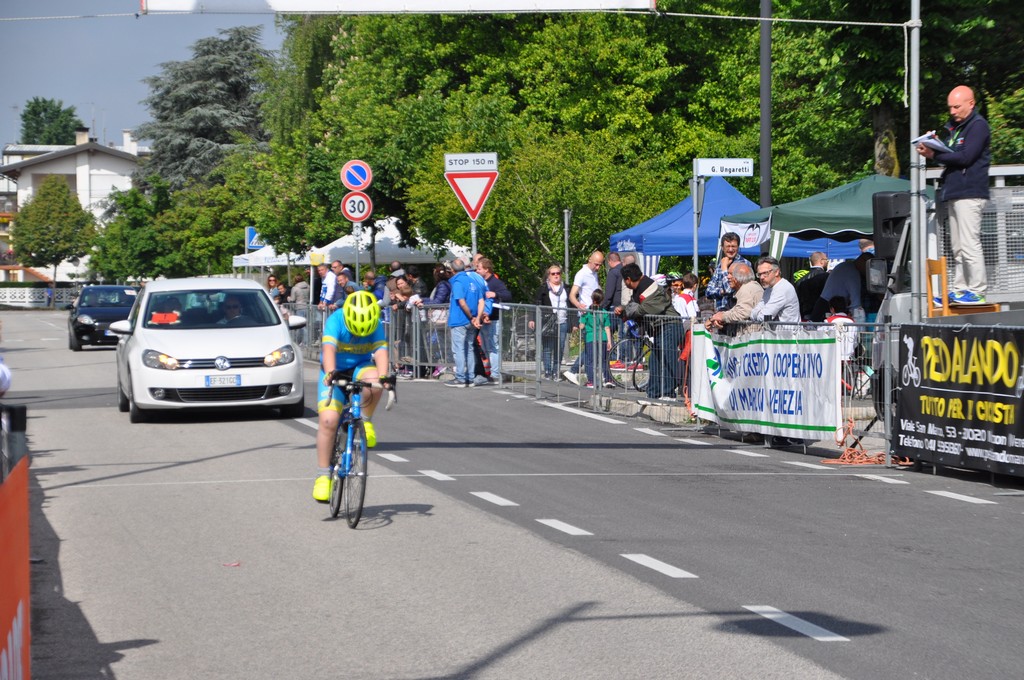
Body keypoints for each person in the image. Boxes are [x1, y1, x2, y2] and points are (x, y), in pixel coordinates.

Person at [312, 290, 394, 502]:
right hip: (335, 370)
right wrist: (330, 373)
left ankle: (366, 421)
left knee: (375, 380)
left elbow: (381, 351)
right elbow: (329, 350)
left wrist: (384, 377)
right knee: (328, 420)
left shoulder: (375, 323)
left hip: (360, 367)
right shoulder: (336, 319)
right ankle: (323, 476)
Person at [916, 85, 991, 304]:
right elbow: (952, 154)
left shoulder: (978, 126)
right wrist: (936, 145)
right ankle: (960, 289)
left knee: (969, 243)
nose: (952, 111)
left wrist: (934, 154)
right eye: (950, 107)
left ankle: (977, 290)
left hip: (970, 193)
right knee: (958, 247)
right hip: (956, 192)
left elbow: (966, 157)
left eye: (957, 107)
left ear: (971, 103)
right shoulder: (956, 127)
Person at [615, 263, 683, 399]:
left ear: (628, 279)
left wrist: (627, 311)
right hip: (660, 327)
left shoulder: (650, 287)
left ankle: (668, 394)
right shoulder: (640, 288)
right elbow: (633, 307)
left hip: (670, 325)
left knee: (667, 359)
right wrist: (624, 309)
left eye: (624, 280)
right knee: (654, 361)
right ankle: (653, 394)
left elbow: (642, 309)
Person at [564, 250, 605, 384]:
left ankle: (576, 372)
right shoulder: (581, 274)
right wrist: (579, 306)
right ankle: (580, 373)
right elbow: (572, 295)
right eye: (596, 264)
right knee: (591, 347)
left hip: (595, 314)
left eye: (600, 265)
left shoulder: (594, 274)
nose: (598, 268)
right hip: (587, 315)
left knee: (591, 347)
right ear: (590, 260)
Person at [445, 258, 486, 387]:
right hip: (472, 320)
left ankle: (461, 378)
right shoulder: (473, 280)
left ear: (452, 270)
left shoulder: (457, 282)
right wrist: (477, 317)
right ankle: (471, 377)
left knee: (459, 349)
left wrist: (471, 317)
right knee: (469, 348)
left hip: (460, 319)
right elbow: (481, 301)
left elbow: (461, 302)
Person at [476, 257, 512, 384]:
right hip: (482, 319)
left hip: (493, 319)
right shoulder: (480, 281)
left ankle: (496, 374)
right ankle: (490, 371)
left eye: (479, 269)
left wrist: (495, 294)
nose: (477, 271)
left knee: (493, 347)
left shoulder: (495, 282)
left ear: (486, 269)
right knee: (485, 347)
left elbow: (508, 295)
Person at [531, 264, 570, 380]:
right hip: (548, 322)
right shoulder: (543, 288)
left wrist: (574, 323)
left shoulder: (566, 288)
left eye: (558, 273)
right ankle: (547, 372)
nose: (556, 275)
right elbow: (537, 303)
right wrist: (533, 319)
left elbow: (571, 304)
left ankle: (555, 372)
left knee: (560, 348)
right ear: (549, 276)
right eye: (553, 274)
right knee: (548, 348)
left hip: (562, 321)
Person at [811, 252, 871, 322]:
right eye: (868, 266)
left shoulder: (845, 266)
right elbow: (856, 303)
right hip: (830, 307)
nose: (868, 270)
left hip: (825, 303)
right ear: (862, 262)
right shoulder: (853, 273)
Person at [706, 263, 764, 336]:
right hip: (747, 336)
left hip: (751, 338)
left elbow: (741, 312)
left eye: (731, 274)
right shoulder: (741, 290)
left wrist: (722, 317)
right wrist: (716, 318)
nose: (728, 277)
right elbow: (729, 309)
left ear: (740, 275)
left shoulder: (747, 289)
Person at [705, 233, 751, 312]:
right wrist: (722, 292)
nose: (730, 249)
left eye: (733, 246)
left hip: (737, 313)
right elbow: (708, 292)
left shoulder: (744, 264)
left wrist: (724, 269)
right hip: (720, 313)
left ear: (738, 247)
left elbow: (729, 289)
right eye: (728, 246)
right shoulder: (720, 264)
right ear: (722, 248)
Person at [578, 289, 614, 388]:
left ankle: (592, 380)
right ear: (601, 300)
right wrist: (609, 341)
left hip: (591, 338)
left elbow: (581, 326)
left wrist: (581, 316)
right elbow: (607, 327)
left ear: (592, 299)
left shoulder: (587, 312)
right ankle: (608, 379)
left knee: (590, 360)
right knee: (604, 360)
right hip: (603, 337)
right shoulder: (604, 312)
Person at [750, 256, 801, 324]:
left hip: (787, 330)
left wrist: (758, 314)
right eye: (759, 274)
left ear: (776, 272)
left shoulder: (783, 288)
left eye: (765, 273)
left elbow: (764, 317)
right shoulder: (768, 290)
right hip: (774, 330)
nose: (761, 277)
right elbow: (752, 314)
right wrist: (758, 314)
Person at [796, 252, 829, 320]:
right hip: (822, 315)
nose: (827, 262)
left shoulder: (801, 280)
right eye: (826, 259)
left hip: (805, 314)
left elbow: (799, 299)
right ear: (821, 261)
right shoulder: (827, 277)